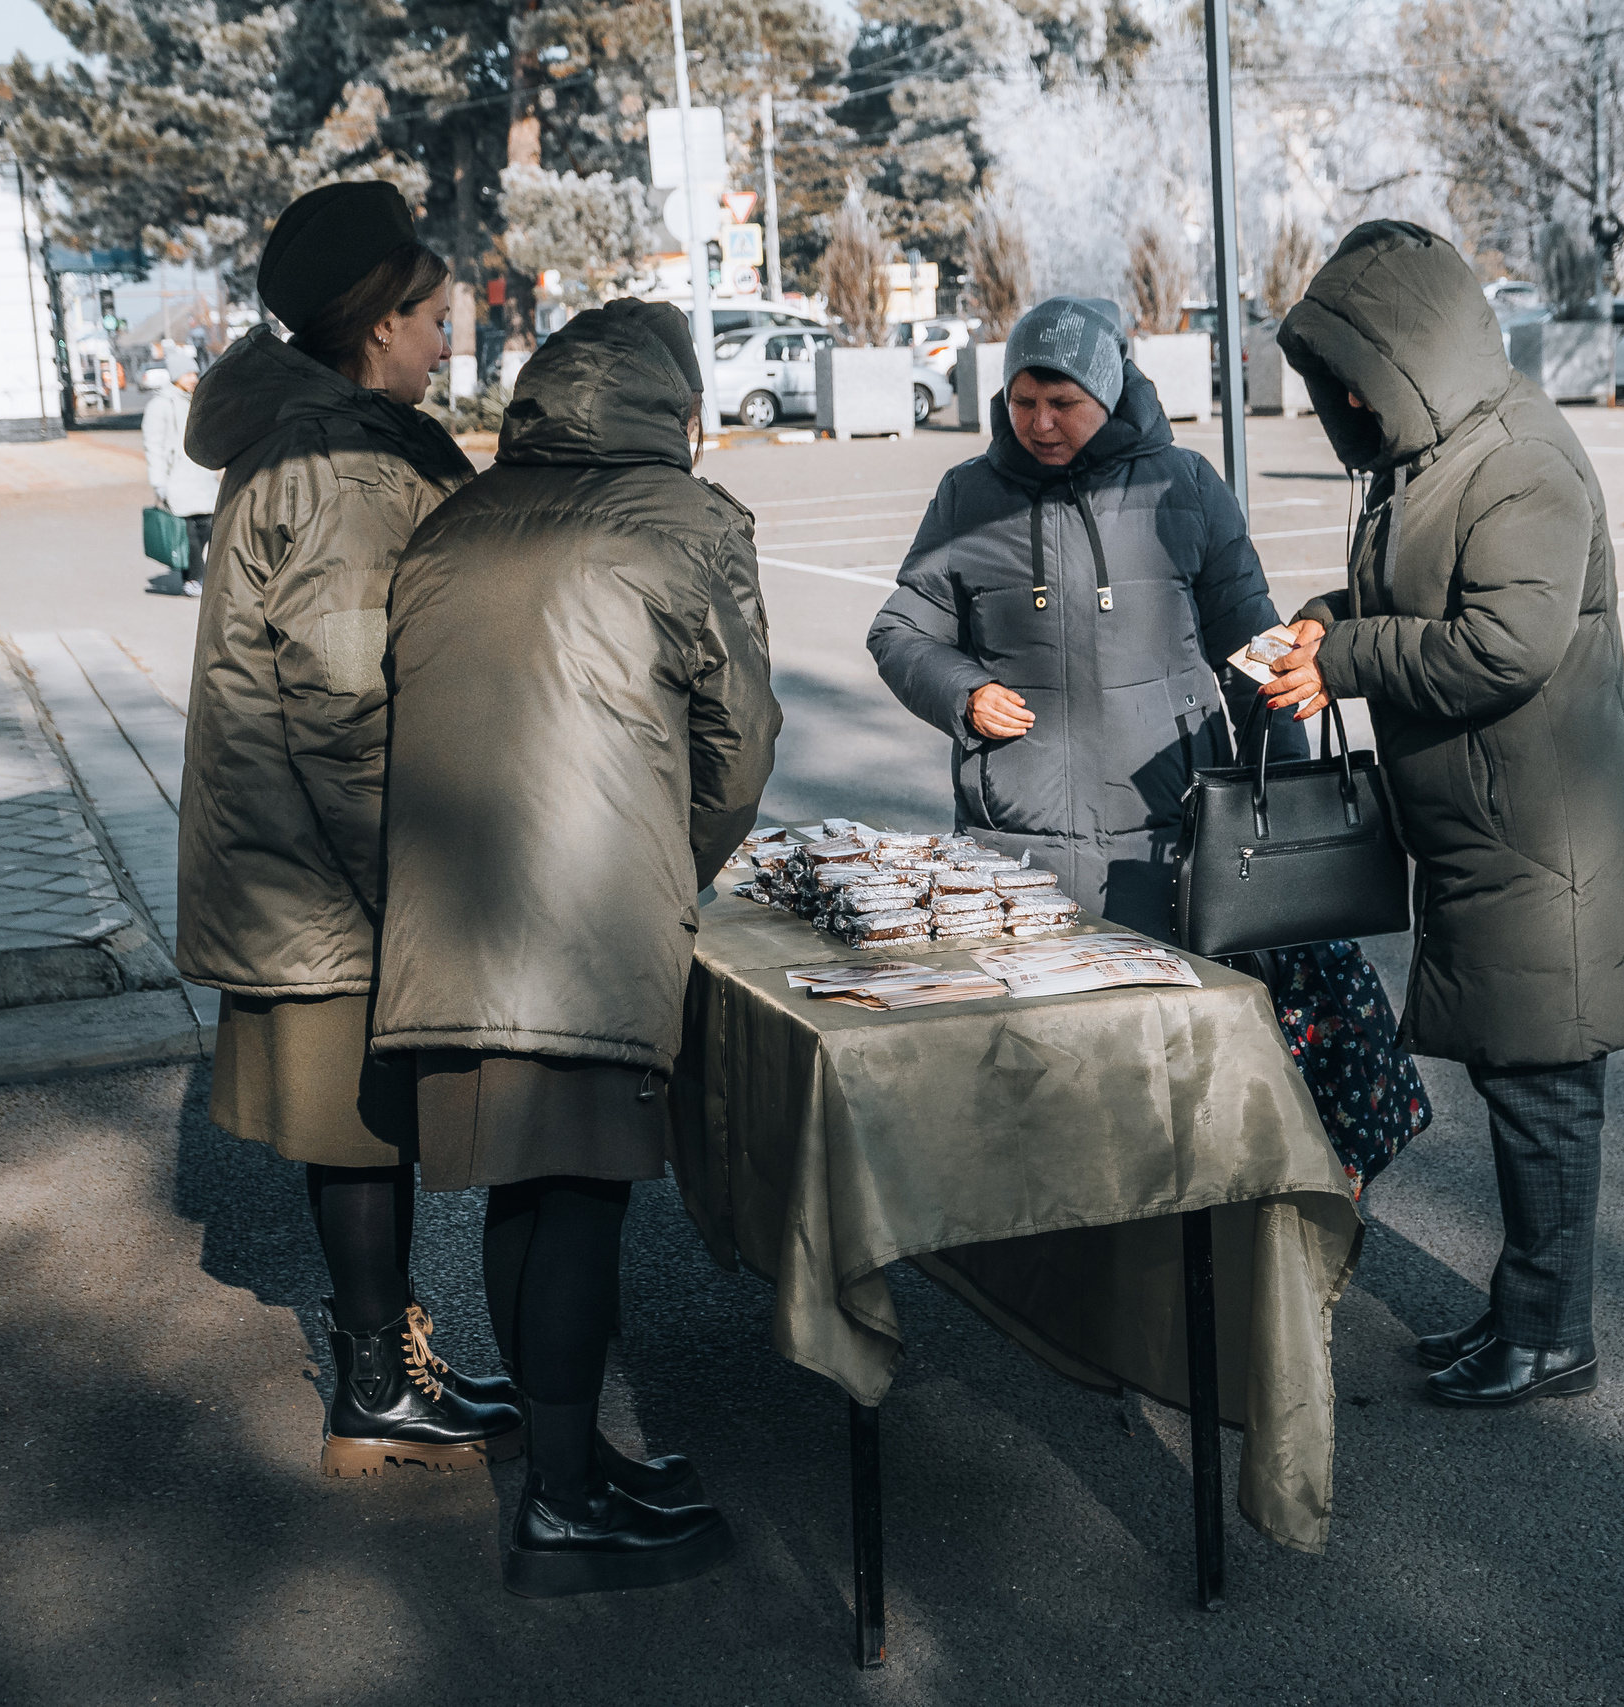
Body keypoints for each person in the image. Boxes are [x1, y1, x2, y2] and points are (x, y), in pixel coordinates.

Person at [373, 298, 778, 1596]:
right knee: (583, 1204)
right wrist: (680, 869)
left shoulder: (457, 521)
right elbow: (738, 745)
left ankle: (567, 1463)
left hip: (447, 917)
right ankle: (561, 1500)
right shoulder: (689, 522)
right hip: (591, 914)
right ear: (673, 400)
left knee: (520, 1195)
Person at [1261, 221, 1624, 1409]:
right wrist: (1323, 617)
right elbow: (1413, 597)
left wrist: (1344, 660)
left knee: (1543, 1092)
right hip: (1499, 834)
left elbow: (1505, 645)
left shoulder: (1520, 461)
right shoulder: (1431, 454)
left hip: (1555, 842)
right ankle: (1525, 1315)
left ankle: (1550, 1336)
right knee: (1517, 1077)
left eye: (1347, 377)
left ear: (1401, 355)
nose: (1337, 402)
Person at [175, 181, 521, 1475]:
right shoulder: (343, 471)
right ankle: (378, 1387)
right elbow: (345, 707)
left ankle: (387, 1362)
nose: (446, 342)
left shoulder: (304, 439)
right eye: (433, 318)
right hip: (331, 871)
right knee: (361, 1130)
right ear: (376, 325)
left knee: (354, 1133)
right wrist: (420, 887)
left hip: (293, 860)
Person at [865, 295, 1299, 933]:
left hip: (1169, 841)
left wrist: (1285, 795)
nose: (1039, 424)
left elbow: (1257, 649)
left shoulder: (1188, 486)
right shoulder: (968, 496)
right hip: (1012, 852)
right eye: (1023, 402)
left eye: (1062, 404)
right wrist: (964, 693)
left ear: (1108, 392)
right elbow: (900, 630)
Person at [140, 354, 218, 596]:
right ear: (175, 376)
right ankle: (193, 578)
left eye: (195, 374)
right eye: (187, 374)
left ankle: (193, 573)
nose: (193, 379)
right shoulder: (160, 405)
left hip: (202, 474)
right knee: (188, 528)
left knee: (207, 523)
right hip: (177, 476)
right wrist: (158, 482)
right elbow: (153, 445)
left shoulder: (197, 399)